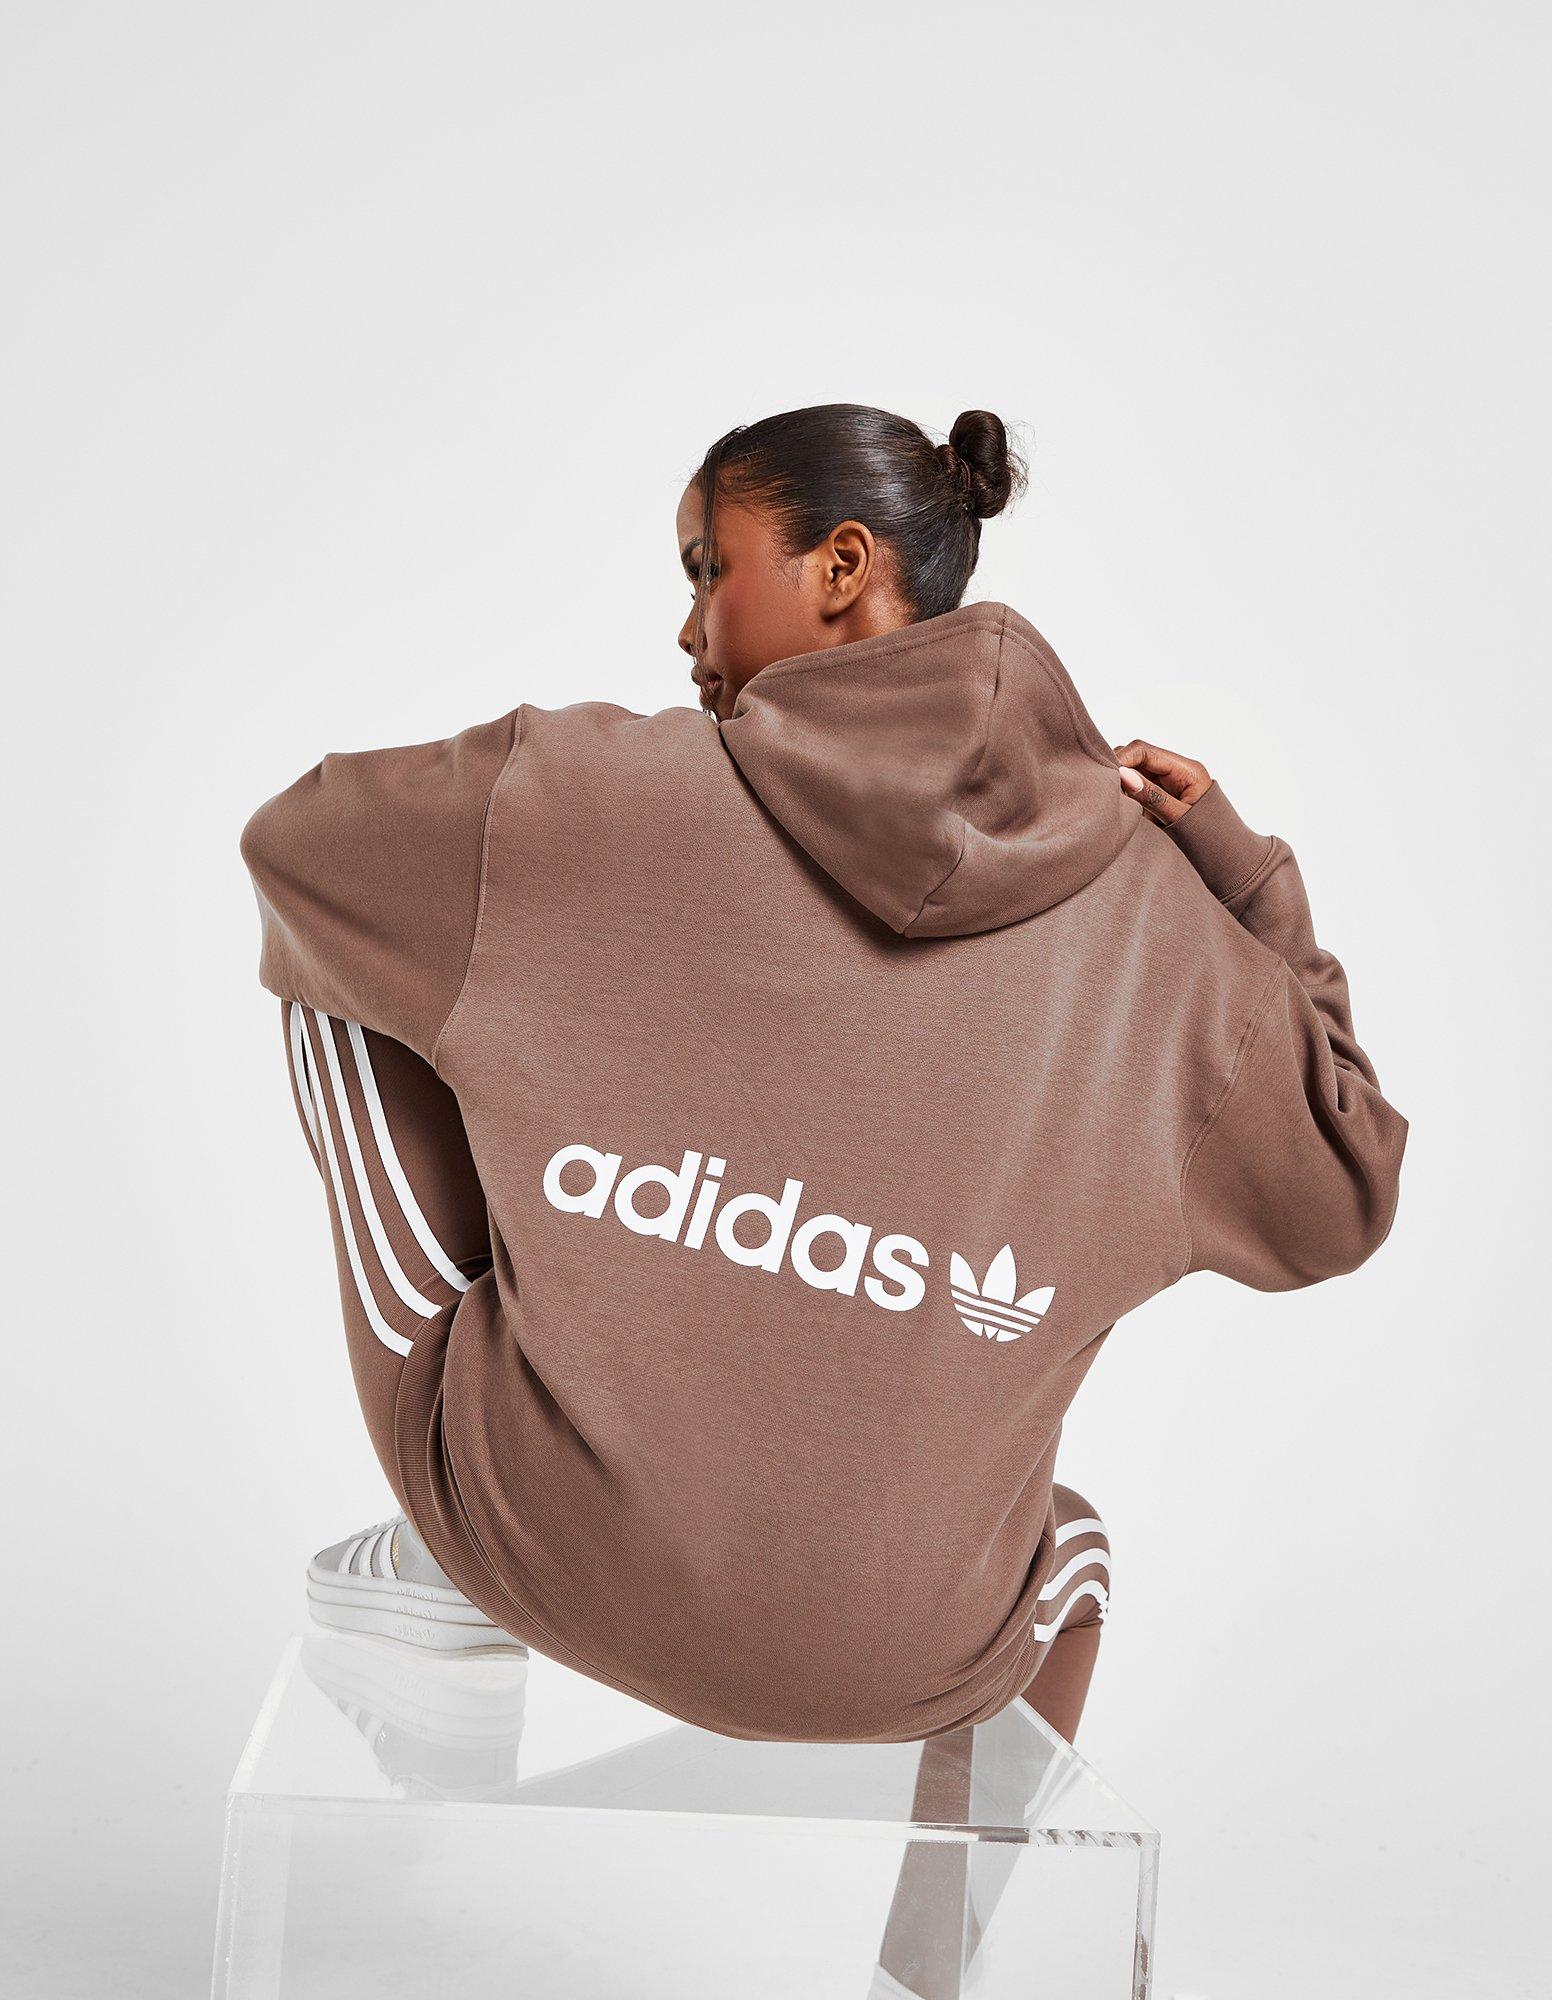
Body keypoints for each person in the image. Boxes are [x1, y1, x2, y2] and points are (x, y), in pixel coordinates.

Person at [241, 402, 1408, 1759]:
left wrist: (583, 1107)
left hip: (532, 1539)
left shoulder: (582, 793)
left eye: (708, 571)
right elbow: (1345, 1191)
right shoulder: (1170, 942)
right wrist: (1244, 882)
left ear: (842, 566)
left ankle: (443, 1580)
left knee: (347, 963)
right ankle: (942, 1915)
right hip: (911, 1663)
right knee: (1070, 1560)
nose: (688, 629)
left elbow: (295, 846)